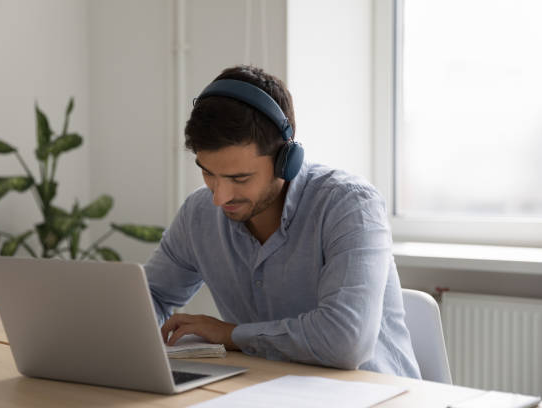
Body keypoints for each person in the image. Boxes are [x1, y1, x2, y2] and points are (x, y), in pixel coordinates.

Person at [144, 65, 421, 378]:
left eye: (239, 177)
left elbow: (346, 342)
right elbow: (150, 295)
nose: (219, 197)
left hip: (372, 395)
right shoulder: (199, 214)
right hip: (266, 390)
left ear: (285, 161)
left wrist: (231, 334)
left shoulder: (351, 205)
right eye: (208, 172)